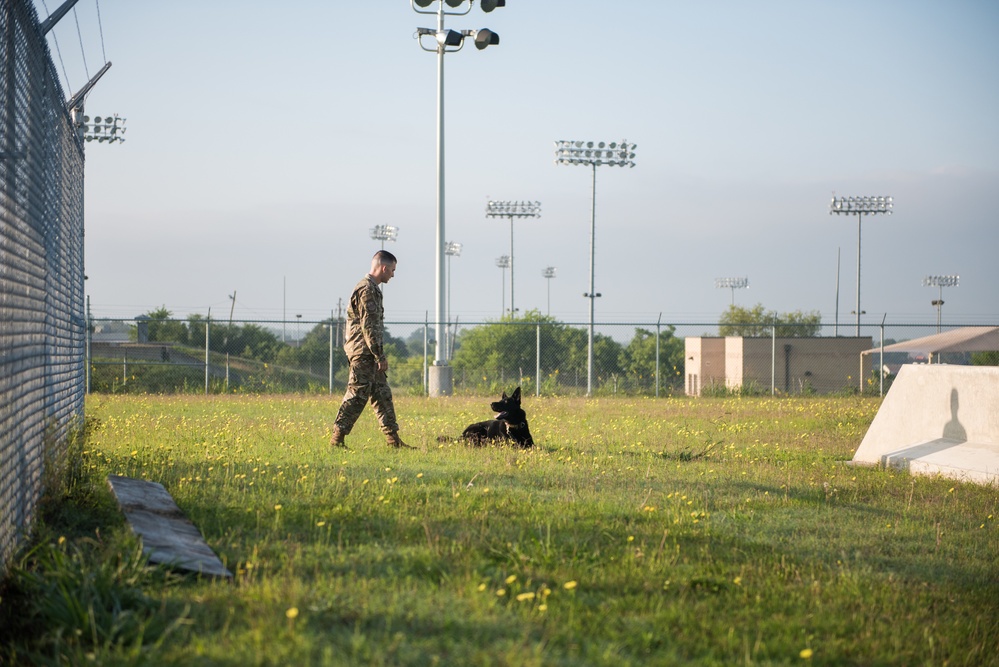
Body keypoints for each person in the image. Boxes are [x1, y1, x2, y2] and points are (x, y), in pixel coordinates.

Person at [330, 250, 413, 449]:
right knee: (357, 395)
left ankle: (393, 441)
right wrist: (379, 355)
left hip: (368, 352)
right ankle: (337, 439)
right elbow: (369, 326)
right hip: (364, 352)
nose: (393, 274)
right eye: (392, 270)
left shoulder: (372, 289)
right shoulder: (367, 289)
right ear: (383, 268)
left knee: (382, 394)